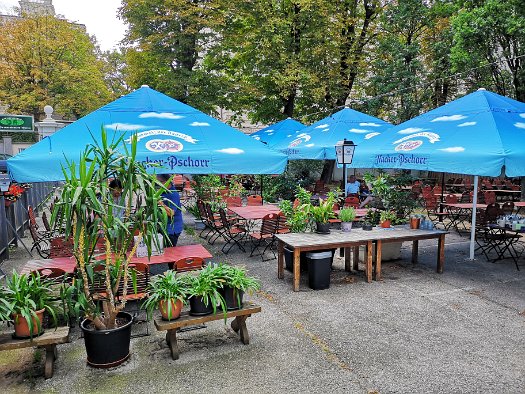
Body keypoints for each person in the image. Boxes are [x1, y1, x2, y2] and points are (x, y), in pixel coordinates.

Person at [157, 174, 183, 247]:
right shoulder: (163, 191)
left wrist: (161, 204)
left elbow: (171, 213)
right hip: (164, 227)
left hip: (171, 229)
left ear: (166, 182)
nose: (158, 184)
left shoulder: (173, 194)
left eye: (159, 182)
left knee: (169, 251)